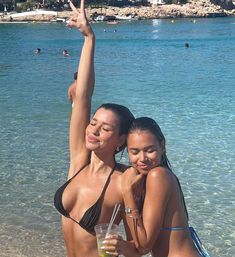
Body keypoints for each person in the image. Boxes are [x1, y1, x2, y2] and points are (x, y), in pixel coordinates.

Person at [54, 1, 140, 257]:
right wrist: (89, 38)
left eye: (104, 129)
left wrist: (125, 247)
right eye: (93, 123)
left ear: (121, 140)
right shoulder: (79, 159)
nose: (93, 130)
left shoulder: (124, 181)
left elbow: (139, 248)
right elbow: (82, 96)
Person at [103, 117, 210, 257]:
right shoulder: (149, 178)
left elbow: (144, 246)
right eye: (134, 152)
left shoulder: (157, 175)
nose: (142, 158)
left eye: (149, 150)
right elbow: (138, 246)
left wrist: (127, 192)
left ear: (162, 145)